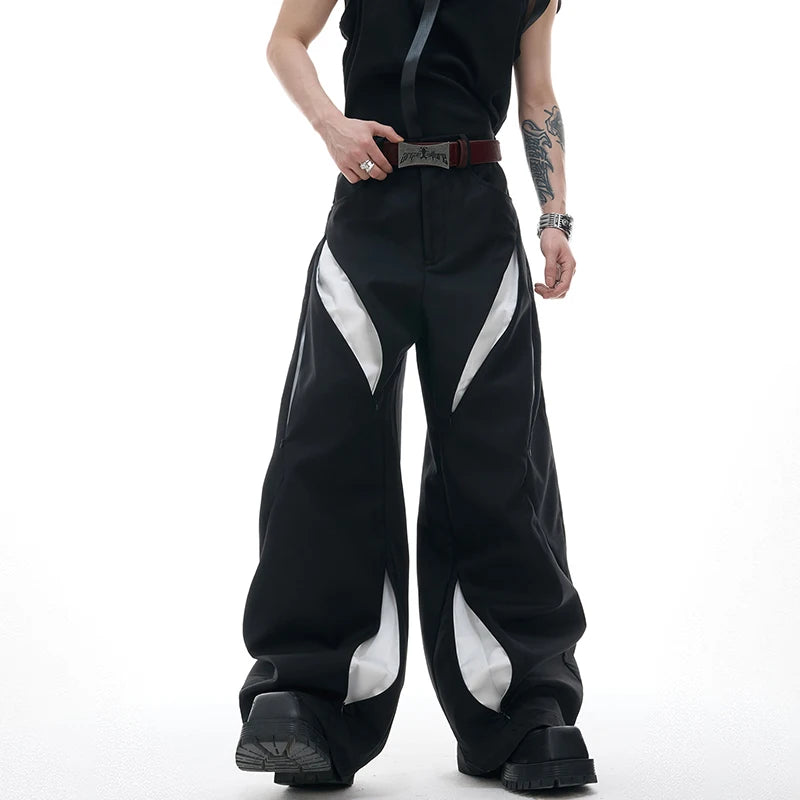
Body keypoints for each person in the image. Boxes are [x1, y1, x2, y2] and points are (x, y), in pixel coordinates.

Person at [234, 0, 596, 792]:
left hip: (479, 219)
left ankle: (522, 705)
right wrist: (331, 126)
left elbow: (537, 93)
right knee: (327, 444)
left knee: (497, 458)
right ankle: (311, 697)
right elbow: (286, 40)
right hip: (370, 207)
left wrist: (555, 218)